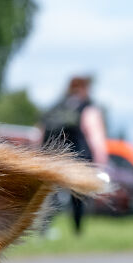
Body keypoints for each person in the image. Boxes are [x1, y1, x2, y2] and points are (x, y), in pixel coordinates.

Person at [41, 76, 109, 235]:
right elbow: (96, 137)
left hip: (52, 158)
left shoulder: (55, 108)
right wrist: (102, 164)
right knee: (78, 197)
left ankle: (44, 230)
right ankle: (77, 231)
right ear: (84, 88)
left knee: (50, 194)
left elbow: (40, 135)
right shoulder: (87, 108)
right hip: (78, 158)